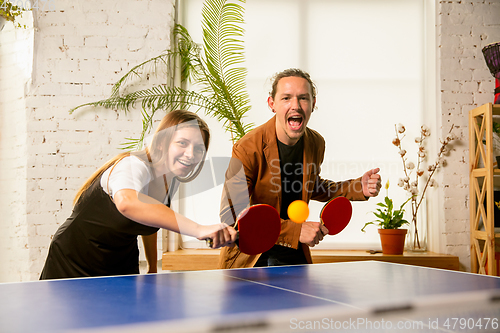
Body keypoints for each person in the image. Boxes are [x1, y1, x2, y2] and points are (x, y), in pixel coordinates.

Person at [40, 110, 237, 279]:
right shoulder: (133, 165)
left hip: (119, 261)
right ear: (161, 143)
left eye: (198, 148)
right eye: (182, 143)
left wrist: (152, 267)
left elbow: (150, 218)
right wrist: (199, 229)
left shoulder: (170, 179)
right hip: (74, 260)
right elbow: (128, 203)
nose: (190, 154)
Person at [218, 68, 381, 268]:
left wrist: (357, 187)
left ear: (313, 104)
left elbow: (311, 186)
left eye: (303, 98)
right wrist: (295, 232)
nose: (295, 105)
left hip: (293, 254)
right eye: (286, 98)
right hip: (252, 258)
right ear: (272, 104)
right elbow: (232, 213)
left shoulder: (315, 143)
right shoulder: (247, 148)